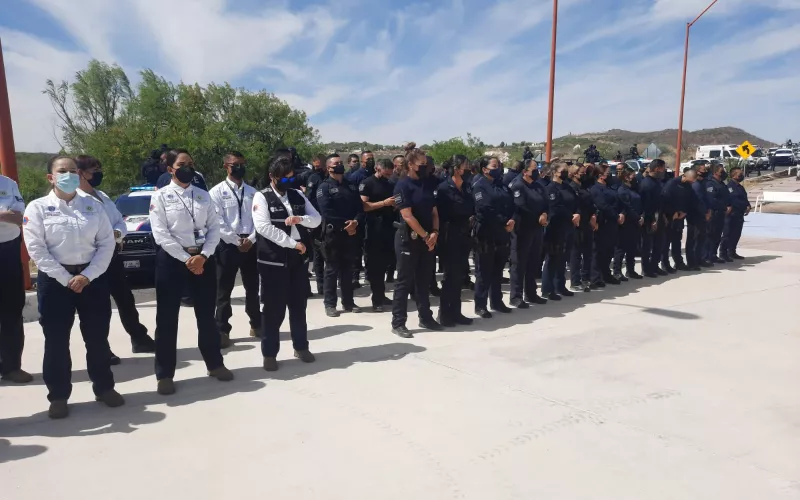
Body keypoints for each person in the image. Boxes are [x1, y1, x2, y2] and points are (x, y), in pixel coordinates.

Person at [23, 156, 122, 418]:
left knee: (97, 338)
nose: (69, 174)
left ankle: (104, 388)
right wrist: (66, 278)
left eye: (73, 171)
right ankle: (58, 396)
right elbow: (37, 250)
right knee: (56, 341)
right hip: (55, 281)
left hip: (92, 278)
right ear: (51, 177)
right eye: (62, 171)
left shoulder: (93, 206)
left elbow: (106, 244)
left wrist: (87, 275)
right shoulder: (38, 208)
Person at [149, 149, 233, 395]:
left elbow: (214, 229)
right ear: (170, 169)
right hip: (172, 260)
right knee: (167, 319)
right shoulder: (160, 196)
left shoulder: (203, 196)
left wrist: (203, 256)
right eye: (182, 164)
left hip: (203, 259)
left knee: (206, 316)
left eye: (191, 164)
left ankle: (215, 364)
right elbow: (161, 233)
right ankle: (165, 374)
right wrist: (187, 259)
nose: (188, 168)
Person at [76, 155, 156, 360]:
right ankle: (102, 350)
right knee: (99, 307)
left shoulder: (102, 195)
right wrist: (105, 237)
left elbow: (119, 220)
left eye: (99, 168)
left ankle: (139, 338)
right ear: (80, 173)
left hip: (112, 256)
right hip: (91, 259)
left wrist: (116, 235)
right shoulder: (75, 199)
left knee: (125, 299)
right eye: (94, 170)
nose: (98, 173)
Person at [252, 156, 321, 371]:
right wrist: (292, 243)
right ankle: (269, 353)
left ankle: (301, 346)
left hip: (297, 259)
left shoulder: (297, 194)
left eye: (291, 178)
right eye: (284, 178)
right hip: (273, 260)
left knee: (298, 306)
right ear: (272, 177)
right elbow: (263, 227)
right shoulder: (262, 197)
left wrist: (301, 219)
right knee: (274, 309)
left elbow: (316, 219)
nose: (288, 182)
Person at [390, 143, 443, 337]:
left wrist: (435, 232)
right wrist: (426, 236)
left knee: (424, 280)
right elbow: (407, 215)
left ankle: (425, 317)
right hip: (408, 238)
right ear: (411, 164)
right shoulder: (402, 185)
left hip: (428, 239)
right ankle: (398, 322)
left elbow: (434, 211)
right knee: (404, 282)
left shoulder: (427, 183)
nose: (425, 167)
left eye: (426, 163)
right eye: (421, 164)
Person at [209, 151, 261, 347]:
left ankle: (256, 323)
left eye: (242, 164)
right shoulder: (216, 192)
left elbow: (259, 219)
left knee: (252, 287)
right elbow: (217, 221)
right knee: (223, 290)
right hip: (227, 245)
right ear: (226, 167)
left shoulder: (253, 192)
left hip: (251, 244)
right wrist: (236, 240)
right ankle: (222, 329)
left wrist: (251, 239)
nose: (239, 168)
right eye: (235, 165)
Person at [318, 154, 365, 316]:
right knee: (332, 270)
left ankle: (348, 302)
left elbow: (360, 208)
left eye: (340, 162)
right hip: (333, 234)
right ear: (328, 168)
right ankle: (330, 304)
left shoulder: (350, 185)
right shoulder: (324, 187)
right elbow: (326, 212)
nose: (339, 165)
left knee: (347, 269)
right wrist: (347, 225)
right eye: (335, 163)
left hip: (351, 233)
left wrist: (355, 222)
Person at [435, 155, 475, 325]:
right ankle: (444, 314)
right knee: (450, 276)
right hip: (449, 236)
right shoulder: (444, 188)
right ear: (457, 168)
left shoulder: (466, 187)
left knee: (458, 276)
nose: (468, 169)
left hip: (464, 235)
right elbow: (440, 215)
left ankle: (456, 312)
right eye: (465, 166)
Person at [473, 157, 515, 317]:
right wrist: (503, 221)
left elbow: (512, 204)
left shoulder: (501, 185)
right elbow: (484, 209)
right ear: (484, 169)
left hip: (502, 233)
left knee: (498, 270)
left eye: (498, 166)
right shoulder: (480, 186)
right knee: (484, 271)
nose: (498, 169)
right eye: (494, 166)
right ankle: (480, 305)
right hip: (486, 232)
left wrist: (511, 219)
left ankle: (497, 301)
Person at [0, 173, 30, 384]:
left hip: (9, 251)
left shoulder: (8, 184)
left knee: (12, 310)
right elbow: (11, 215)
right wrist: (5, 214)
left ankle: (11, 367)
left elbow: (20, 217)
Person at [509, 160, 548, 307]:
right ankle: (516, 296)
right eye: (534, 169)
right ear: (525, 172)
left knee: (533, 262)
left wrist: (544, 214)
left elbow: (546, 203)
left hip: (537, 229)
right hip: (522, 229)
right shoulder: (517, 185)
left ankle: (531, 293)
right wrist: (538, 216)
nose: (537, 172)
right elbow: (520, 207)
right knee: (519, 263)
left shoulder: (538, 186)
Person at [360, 159, 397, 312]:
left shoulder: (390, 184)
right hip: (373, 229)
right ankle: (376, 300)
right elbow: (364, 205)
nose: (388, 176)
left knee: (384, 264)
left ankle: (381, 294)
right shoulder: (367, 183)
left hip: (388, 228)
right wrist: (384, 203)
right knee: (375, 265)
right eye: (385, 173)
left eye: (390, 174)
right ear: (377, 169)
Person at [541, 163, 579, 300]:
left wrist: (577, 213)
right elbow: (555, 207)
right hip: (556, 227)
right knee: (552, 258)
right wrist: (571, 215)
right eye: (563, 170)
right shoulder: (551, 188)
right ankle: (547, 289)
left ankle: (560, 286)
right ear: (555, 172)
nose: (565, 173)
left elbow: (575, 202)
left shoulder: (567, 186)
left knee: (563, 258)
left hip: (569, 226)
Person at [590, 163, 624, 287]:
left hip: (613, 222)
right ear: (600, 175)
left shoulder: (610, 186)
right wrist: (616, 216)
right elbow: (602, 205)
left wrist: (621, 213)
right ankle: (595, 277)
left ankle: (606, 274)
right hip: (603, 222)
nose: (609, 174)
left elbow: (618, 201)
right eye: (607, 172)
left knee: (609, 250)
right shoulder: (595, 189)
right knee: (599, 251)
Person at [346, 151, 375, 289]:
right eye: (368, 159)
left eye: (372, 158)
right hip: (359, 216)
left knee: (370, 248)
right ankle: (354, 277)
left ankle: (369, 275)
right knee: (357, 249)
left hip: (373, 216)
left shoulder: (373, 174)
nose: (371, 161)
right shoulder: (356, 176)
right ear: (362, 161)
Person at [568, 163, 597, 292]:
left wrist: (593, 215)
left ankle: (586, 278)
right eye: (582, 172)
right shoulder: (571, 187)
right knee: (576, 254)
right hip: (577, 224)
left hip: (587, 222)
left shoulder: (584, 187)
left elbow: (590, 203)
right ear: (574, 174)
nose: (584, 174)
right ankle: (575, 281)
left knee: (588, 253)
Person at [660, 169, 695, 273]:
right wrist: (672, 212)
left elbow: (690, 200)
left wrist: (685, 212)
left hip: (680, 217)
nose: (691, 183)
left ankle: (679, 263)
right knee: (666, 242)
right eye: (690, 180)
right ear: (684, 176)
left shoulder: (688, 186)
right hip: (669, 217)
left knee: (677, 241)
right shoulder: (672, 184)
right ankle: (665, 264)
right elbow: (665, 200)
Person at [612, 167, 644, 280]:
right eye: (632, 175)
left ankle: (631, 270)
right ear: (626, 177)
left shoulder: (634, 189)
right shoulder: (622, 190)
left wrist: (642, 216)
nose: (634, 177)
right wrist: (637, 217)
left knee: (632, 248)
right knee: (621, 248)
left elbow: (640, 203)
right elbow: (627, 206)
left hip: (635, 222)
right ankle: (617, 271)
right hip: (627, 222)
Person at [639, 159, 667, 277]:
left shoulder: (657, 182)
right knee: (647, 246)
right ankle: (646, 269)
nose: (664, 170)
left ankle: (655, 266)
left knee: (658, 245)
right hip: (650, 220)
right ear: (657, 168)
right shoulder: (647, 184)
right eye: (663, 168)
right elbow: (647, 205)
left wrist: (663, 216)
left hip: (659, 217)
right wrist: (653, 220)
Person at [305, 154, 328, 294]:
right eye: (315, 166)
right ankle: (321, 284)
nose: (316, 168)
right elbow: (308, 199)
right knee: (318, 253)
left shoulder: (331, 178)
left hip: (330, 219)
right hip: (317, 220)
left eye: (319, 166)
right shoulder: (313, 178)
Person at [720, 167, 750, 261]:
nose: (741, 176)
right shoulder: (729, 187)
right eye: (740, 174)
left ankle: (732, 251)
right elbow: (733, 200)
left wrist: (748, 206)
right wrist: (742, 205)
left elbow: (744, 198)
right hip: (731, 215)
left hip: (739, 214)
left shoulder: (740, 187)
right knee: (727, 235)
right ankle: (723, 253)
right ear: (734, 175)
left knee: (736, 234)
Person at [704, 163, 732, 264]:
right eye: (721, 171)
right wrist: (724, 207)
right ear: (715, 172)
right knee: (710, 235)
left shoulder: (722, 184)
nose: (723, 173)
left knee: (717, 236)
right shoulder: (710, 184)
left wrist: (729, 206)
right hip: (714, 213)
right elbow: (712, 199)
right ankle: (706, 256)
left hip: (721, 214)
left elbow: (727, 197)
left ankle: (713, 254)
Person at [687, 165, 712, 270]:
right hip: (696, 216)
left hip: (700, 215)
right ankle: (692, 262)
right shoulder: (696, 185)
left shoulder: (701, 183)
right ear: (697, 172)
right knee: (694, 240)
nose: (705, 172)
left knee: (700, 239)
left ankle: (699, 259)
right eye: (703, 170)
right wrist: (705, 213)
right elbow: (699, 202)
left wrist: (708, 210)